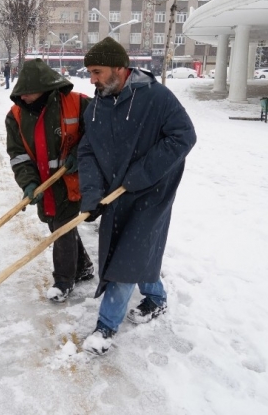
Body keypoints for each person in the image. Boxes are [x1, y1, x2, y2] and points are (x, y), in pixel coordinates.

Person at [77, 37, 196, 355]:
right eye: (90, 72)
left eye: (97, 71)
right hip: (117, 194)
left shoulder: (156, 97)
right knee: (135, 253)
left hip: (152, 193)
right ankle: (156, 298)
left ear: (120, 68)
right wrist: (90, 194)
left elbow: (184, 135)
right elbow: (87, 151)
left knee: (127, 259)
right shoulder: (99, 103)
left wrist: (140, 175)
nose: (92, 79)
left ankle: (105, 328)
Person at [5, 58, 95, 303]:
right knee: (59, 226)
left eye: (29, 92)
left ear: (45, 88)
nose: (23, 97)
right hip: (45, 183)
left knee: (61, 228)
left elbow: (98, 132)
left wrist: (80, 153)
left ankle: (63, 281)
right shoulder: (15, 116)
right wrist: (28, 183)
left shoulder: (78, 104)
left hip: (72, 181)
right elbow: (18, 155)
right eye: (20, 92)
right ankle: (84, 266)